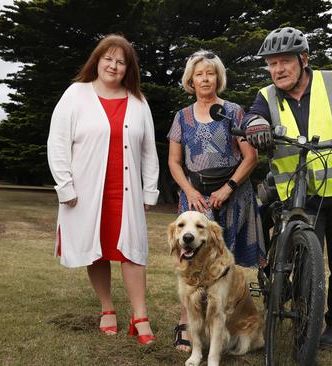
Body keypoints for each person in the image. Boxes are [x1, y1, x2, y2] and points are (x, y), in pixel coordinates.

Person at [243, 27, 332, 348]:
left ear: (303, 60)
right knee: (308, 260)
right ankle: (297, 304)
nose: (277, 70)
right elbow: (253, 116)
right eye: (271, 63)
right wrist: (257, 126)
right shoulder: (267, 95)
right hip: (300, 193)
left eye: (284, 62)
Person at [47, 34, 159, 345]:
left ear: (128, 69)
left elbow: (149, 150)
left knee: (132, 252)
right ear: (97, 61)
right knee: (96, 249)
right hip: (86, 192)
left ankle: (140, 315)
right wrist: (65, 186)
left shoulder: (138, 101)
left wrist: (150, 191)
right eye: (108, 59)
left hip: (126, 193)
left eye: (120, 61)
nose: (113, 65)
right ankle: (107, 308)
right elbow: (57, 143)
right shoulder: (75, 95)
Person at [167, 50, 266, 352]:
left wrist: (228, 187)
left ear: (218, 78)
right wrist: (191, 192)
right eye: (199, 74)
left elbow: (251, 156)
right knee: (191, 262)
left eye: (210, 73)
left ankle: (229, 321)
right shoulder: (181, 117)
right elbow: (174, 162)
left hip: (232, 195)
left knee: (226, 266)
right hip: (196, 199)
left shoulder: (234, 112)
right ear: (191, 80)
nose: (205, 78)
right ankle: (188, 322)